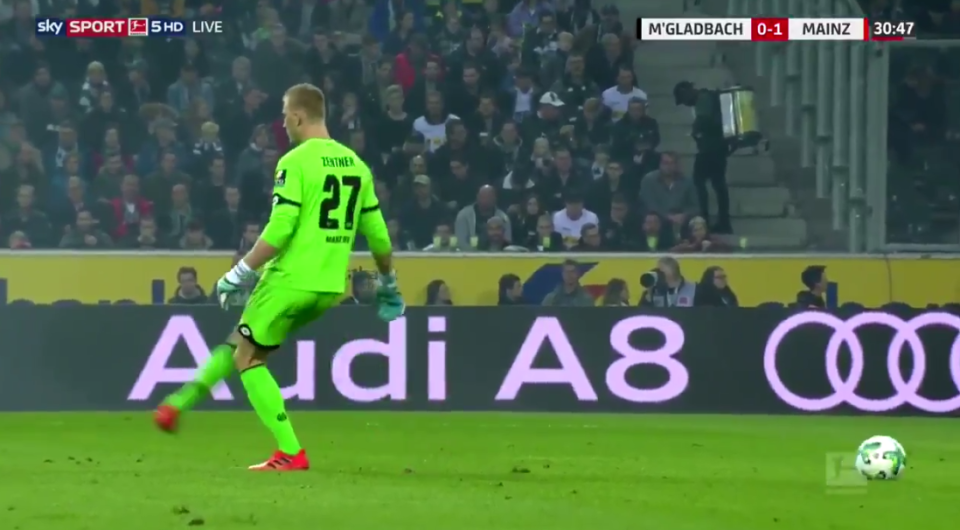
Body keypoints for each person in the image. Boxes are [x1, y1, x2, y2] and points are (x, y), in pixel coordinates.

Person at [153, 83, 405, 472]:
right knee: (244, 344)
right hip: (327, 287)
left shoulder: (295, 162)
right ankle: (176, 405)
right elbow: (379, 238)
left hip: (288, 279)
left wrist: (238, 272)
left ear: (299, 116)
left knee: (248, 359)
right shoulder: (357, 165)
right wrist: (388, 284)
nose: (283, 121)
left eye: (285, 113)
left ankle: (289, 451)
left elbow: (279, 230)